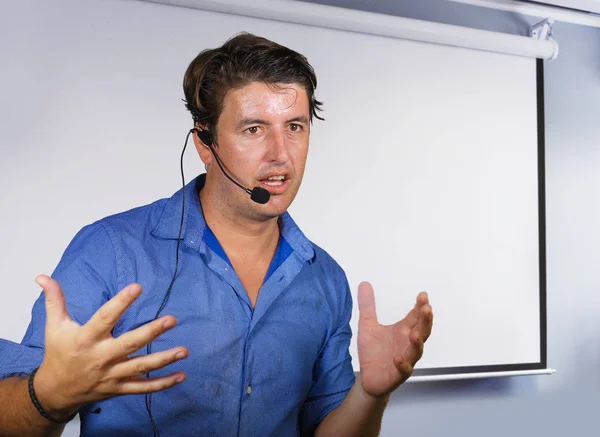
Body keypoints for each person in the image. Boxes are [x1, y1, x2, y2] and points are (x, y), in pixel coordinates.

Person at [0, 33, 433, 437]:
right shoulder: (110, 251)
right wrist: (48, 397)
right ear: (205, 145)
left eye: (295, 127)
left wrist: (371, 393)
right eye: (254, 129)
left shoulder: (325, 278)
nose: (281, 155)